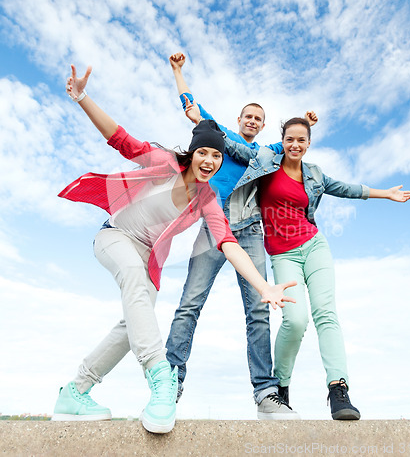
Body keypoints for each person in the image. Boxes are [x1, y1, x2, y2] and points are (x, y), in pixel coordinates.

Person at [51, 65, 296, 433]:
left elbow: (228, 243)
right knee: (135, 285)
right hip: (114, 237)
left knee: (134, 321)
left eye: (216, 156)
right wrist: (82, 97)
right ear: (193, 153)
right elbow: (121, 139)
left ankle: (75, 391)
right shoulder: (163, 161)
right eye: (204, 154)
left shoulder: (209, 199)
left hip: (146, 258)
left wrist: (263, 287)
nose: (210, 161)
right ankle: (161, 379)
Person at [187, 102, 410, 420]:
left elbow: (345, 188)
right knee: (295, 320)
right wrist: (202, 121)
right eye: (290, 139)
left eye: (302, 140)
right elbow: (231, 145)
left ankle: (339, 389)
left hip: (314, 245)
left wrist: (383, 193)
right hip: (282, 252)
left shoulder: (315, 174)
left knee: (326, 315)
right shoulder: (264, 160)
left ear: (308, 144)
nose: (295, 145)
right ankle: (279, 389)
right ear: (282, 141)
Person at [166, 53, 317, 419]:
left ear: (262, 126)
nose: (252, 121)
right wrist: (178, 72)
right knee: (190, 303)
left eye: (258, 119)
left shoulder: (268, 153)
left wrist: (309, 123)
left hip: (250, 232)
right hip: (213, 226)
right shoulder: (221, 136)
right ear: (239, 120)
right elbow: (191, 107)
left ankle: (266, 393)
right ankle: (170, 380)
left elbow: (295, 143)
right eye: (248, 116)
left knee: (259, 310)